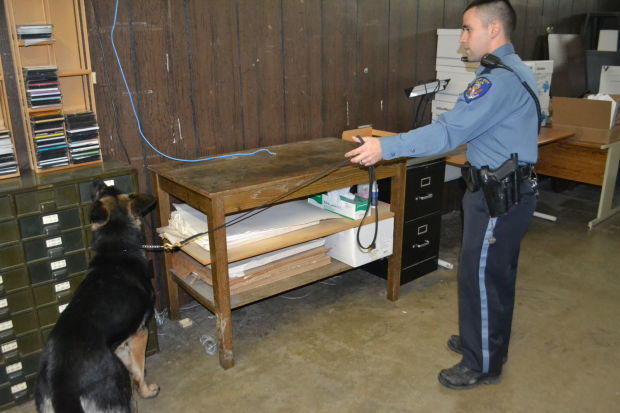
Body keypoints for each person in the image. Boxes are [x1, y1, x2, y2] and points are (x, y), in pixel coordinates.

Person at [345, 0, 539, 390]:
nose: (462, 39)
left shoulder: (496, 80)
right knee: (495, 275)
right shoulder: (515, 68)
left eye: (468, 29)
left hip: (496, 196)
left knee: (481, 277)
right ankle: (484, 341)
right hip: (509, 189)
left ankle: (481, 362)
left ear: (494, 30)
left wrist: (387, 147)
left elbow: (449, 132)